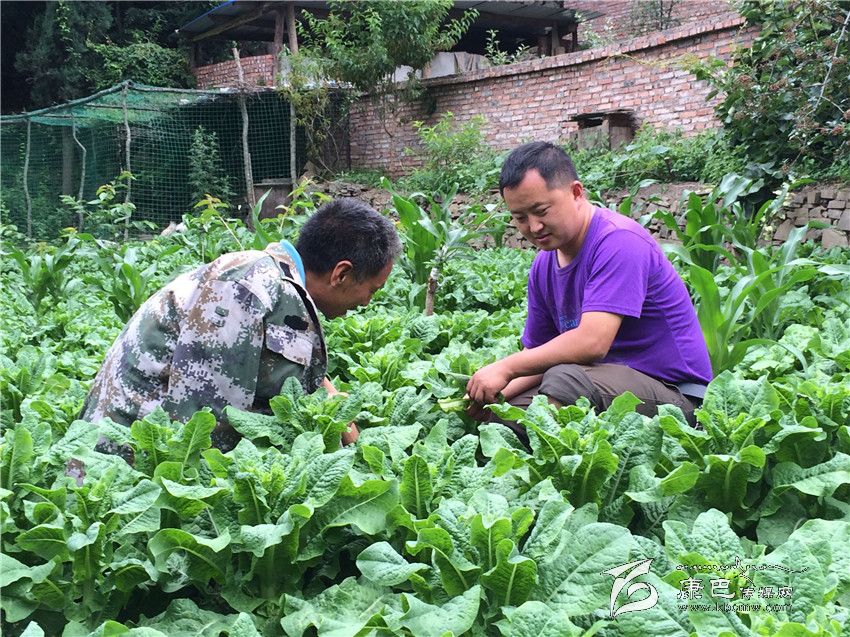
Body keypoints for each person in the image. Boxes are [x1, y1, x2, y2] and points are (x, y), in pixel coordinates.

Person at [81, 197, 401, 450]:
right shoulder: (245, 289)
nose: (366, 303)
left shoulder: (276, 277)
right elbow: (202, 426)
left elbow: (288, 363)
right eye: (372, 290)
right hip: (123, 461)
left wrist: (334, 406)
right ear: (341, 274)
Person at [466, 142, 712, 434]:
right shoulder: (543, 265)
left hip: (676, 396)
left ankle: (554, 457)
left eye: (541, 211)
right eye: (520, 218)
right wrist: (496, 394)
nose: (533, 227)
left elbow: (592, 342)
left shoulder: (619, 241)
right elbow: (538, 353)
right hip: (601, 383)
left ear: (576, 192)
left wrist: (505, 368)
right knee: (505, 416)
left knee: (564, 381)